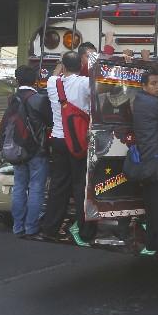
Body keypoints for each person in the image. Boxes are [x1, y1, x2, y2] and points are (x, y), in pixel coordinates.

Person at [40, 51, 95, 246]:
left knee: (58, 185)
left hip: (58, 139)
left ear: (63, 66)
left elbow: (56, 73)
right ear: (80, 66)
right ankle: (84, 231)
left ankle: (50, 229)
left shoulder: (52, 82)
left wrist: (61, 64)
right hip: (78, 140)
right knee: (80, 185)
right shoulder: (85, 83)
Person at [1, 65, 52, 238]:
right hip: (37, 151)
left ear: (17, 80)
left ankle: (17, 227)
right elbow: (50, 122)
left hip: (17, 151)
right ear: (35, 81)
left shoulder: (12, 100)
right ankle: (31, 227)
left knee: (19, 187)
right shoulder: (38, 99)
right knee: (36, 188)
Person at [132, 69, 158, 254]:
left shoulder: (140, 100)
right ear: (144, 86)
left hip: (147, 160)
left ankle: (151, 243)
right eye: (154, 84)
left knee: (151, 204)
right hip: (156, 160)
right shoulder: (154, 105)